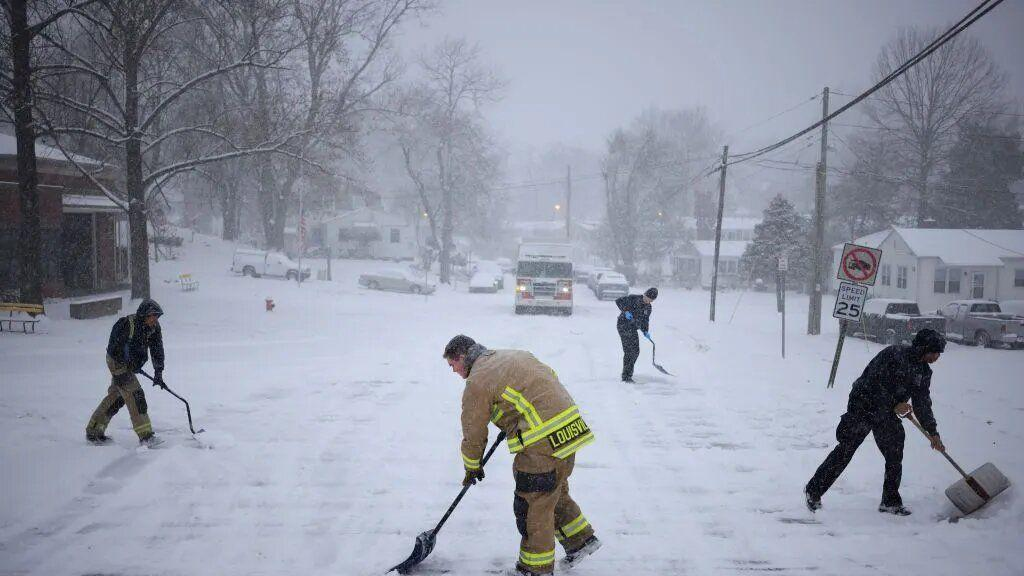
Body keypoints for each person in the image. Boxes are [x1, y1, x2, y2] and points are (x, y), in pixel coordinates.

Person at [444, 335, 601, 576]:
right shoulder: (513, 355)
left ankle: (534, 569)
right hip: (570, 430)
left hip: (542, 441)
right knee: (552, 491)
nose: (453, 372)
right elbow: (545, 382)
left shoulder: (477, 381)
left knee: (532, 504)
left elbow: (473, 431)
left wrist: (472, 466)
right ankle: (580, 541)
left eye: (452, 365)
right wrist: (514, 419)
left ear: (462, 357)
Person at [804, 328, 947, 515]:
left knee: (895, 451)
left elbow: (922, 403)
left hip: (886, 412)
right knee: (846, 449)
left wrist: (933, 432)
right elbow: (872, 382)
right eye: (934, 352)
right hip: (863, 404)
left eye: (938, 354)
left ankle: (890, 501)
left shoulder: (923, 372)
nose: (936, 357)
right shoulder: (893, 355)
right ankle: (813, 491)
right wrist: (895, 404)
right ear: (923, 348)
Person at [85, 299, 167, 446]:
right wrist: (128, 361)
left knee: (117, 397)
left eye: (157, 316)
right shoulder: (126, 325)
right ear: (143, 315)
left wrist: (158, 372)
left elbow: (157, 349)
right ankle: (146, 436)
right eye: (152, 316)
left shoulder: (154, 327)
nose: (155, 319)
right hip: (117, 363)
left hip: (130, 364)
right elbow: (114, 348)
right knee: (136, 395)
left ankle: (94, 431)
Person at [615, 287, 658, 382]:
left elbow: (645, 320)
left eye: (651, 300)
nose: (648, 301)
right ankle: (626, 376)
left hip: (633, 328)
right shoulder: (633, 298)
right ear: (645, 294)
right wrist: (625, 311)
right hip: (623, 326)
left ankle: (627, 373)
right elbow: (618, 301)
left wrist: (645, 331)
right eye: (648, 298)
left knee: (636, 351)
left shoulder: (648, 307)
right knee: (629, 351)